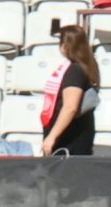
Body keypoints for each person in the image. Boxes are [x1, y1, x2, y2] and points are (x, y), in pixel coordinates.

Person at [41, 25, 98, 157]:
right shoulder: (87, 66)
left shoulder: (75, 71)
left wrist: (52, 137)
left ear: (65, 45)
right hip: (77, 133)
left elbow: (70, 107)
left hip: (70, 138)